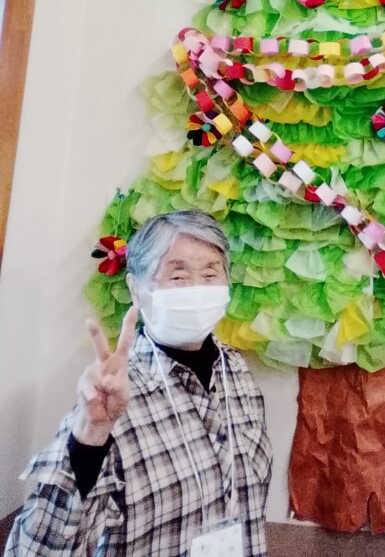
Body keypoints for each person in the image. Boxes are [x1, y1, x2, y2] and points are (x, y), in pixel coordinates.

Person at [5, 210, 272, 556]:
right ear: (136, 289)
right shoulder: (112, 399)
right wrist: (90, 439)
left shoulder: (236, 372)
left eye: (210, 274)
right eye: (178, 276)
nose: (197, 289)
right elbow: (31, 552)